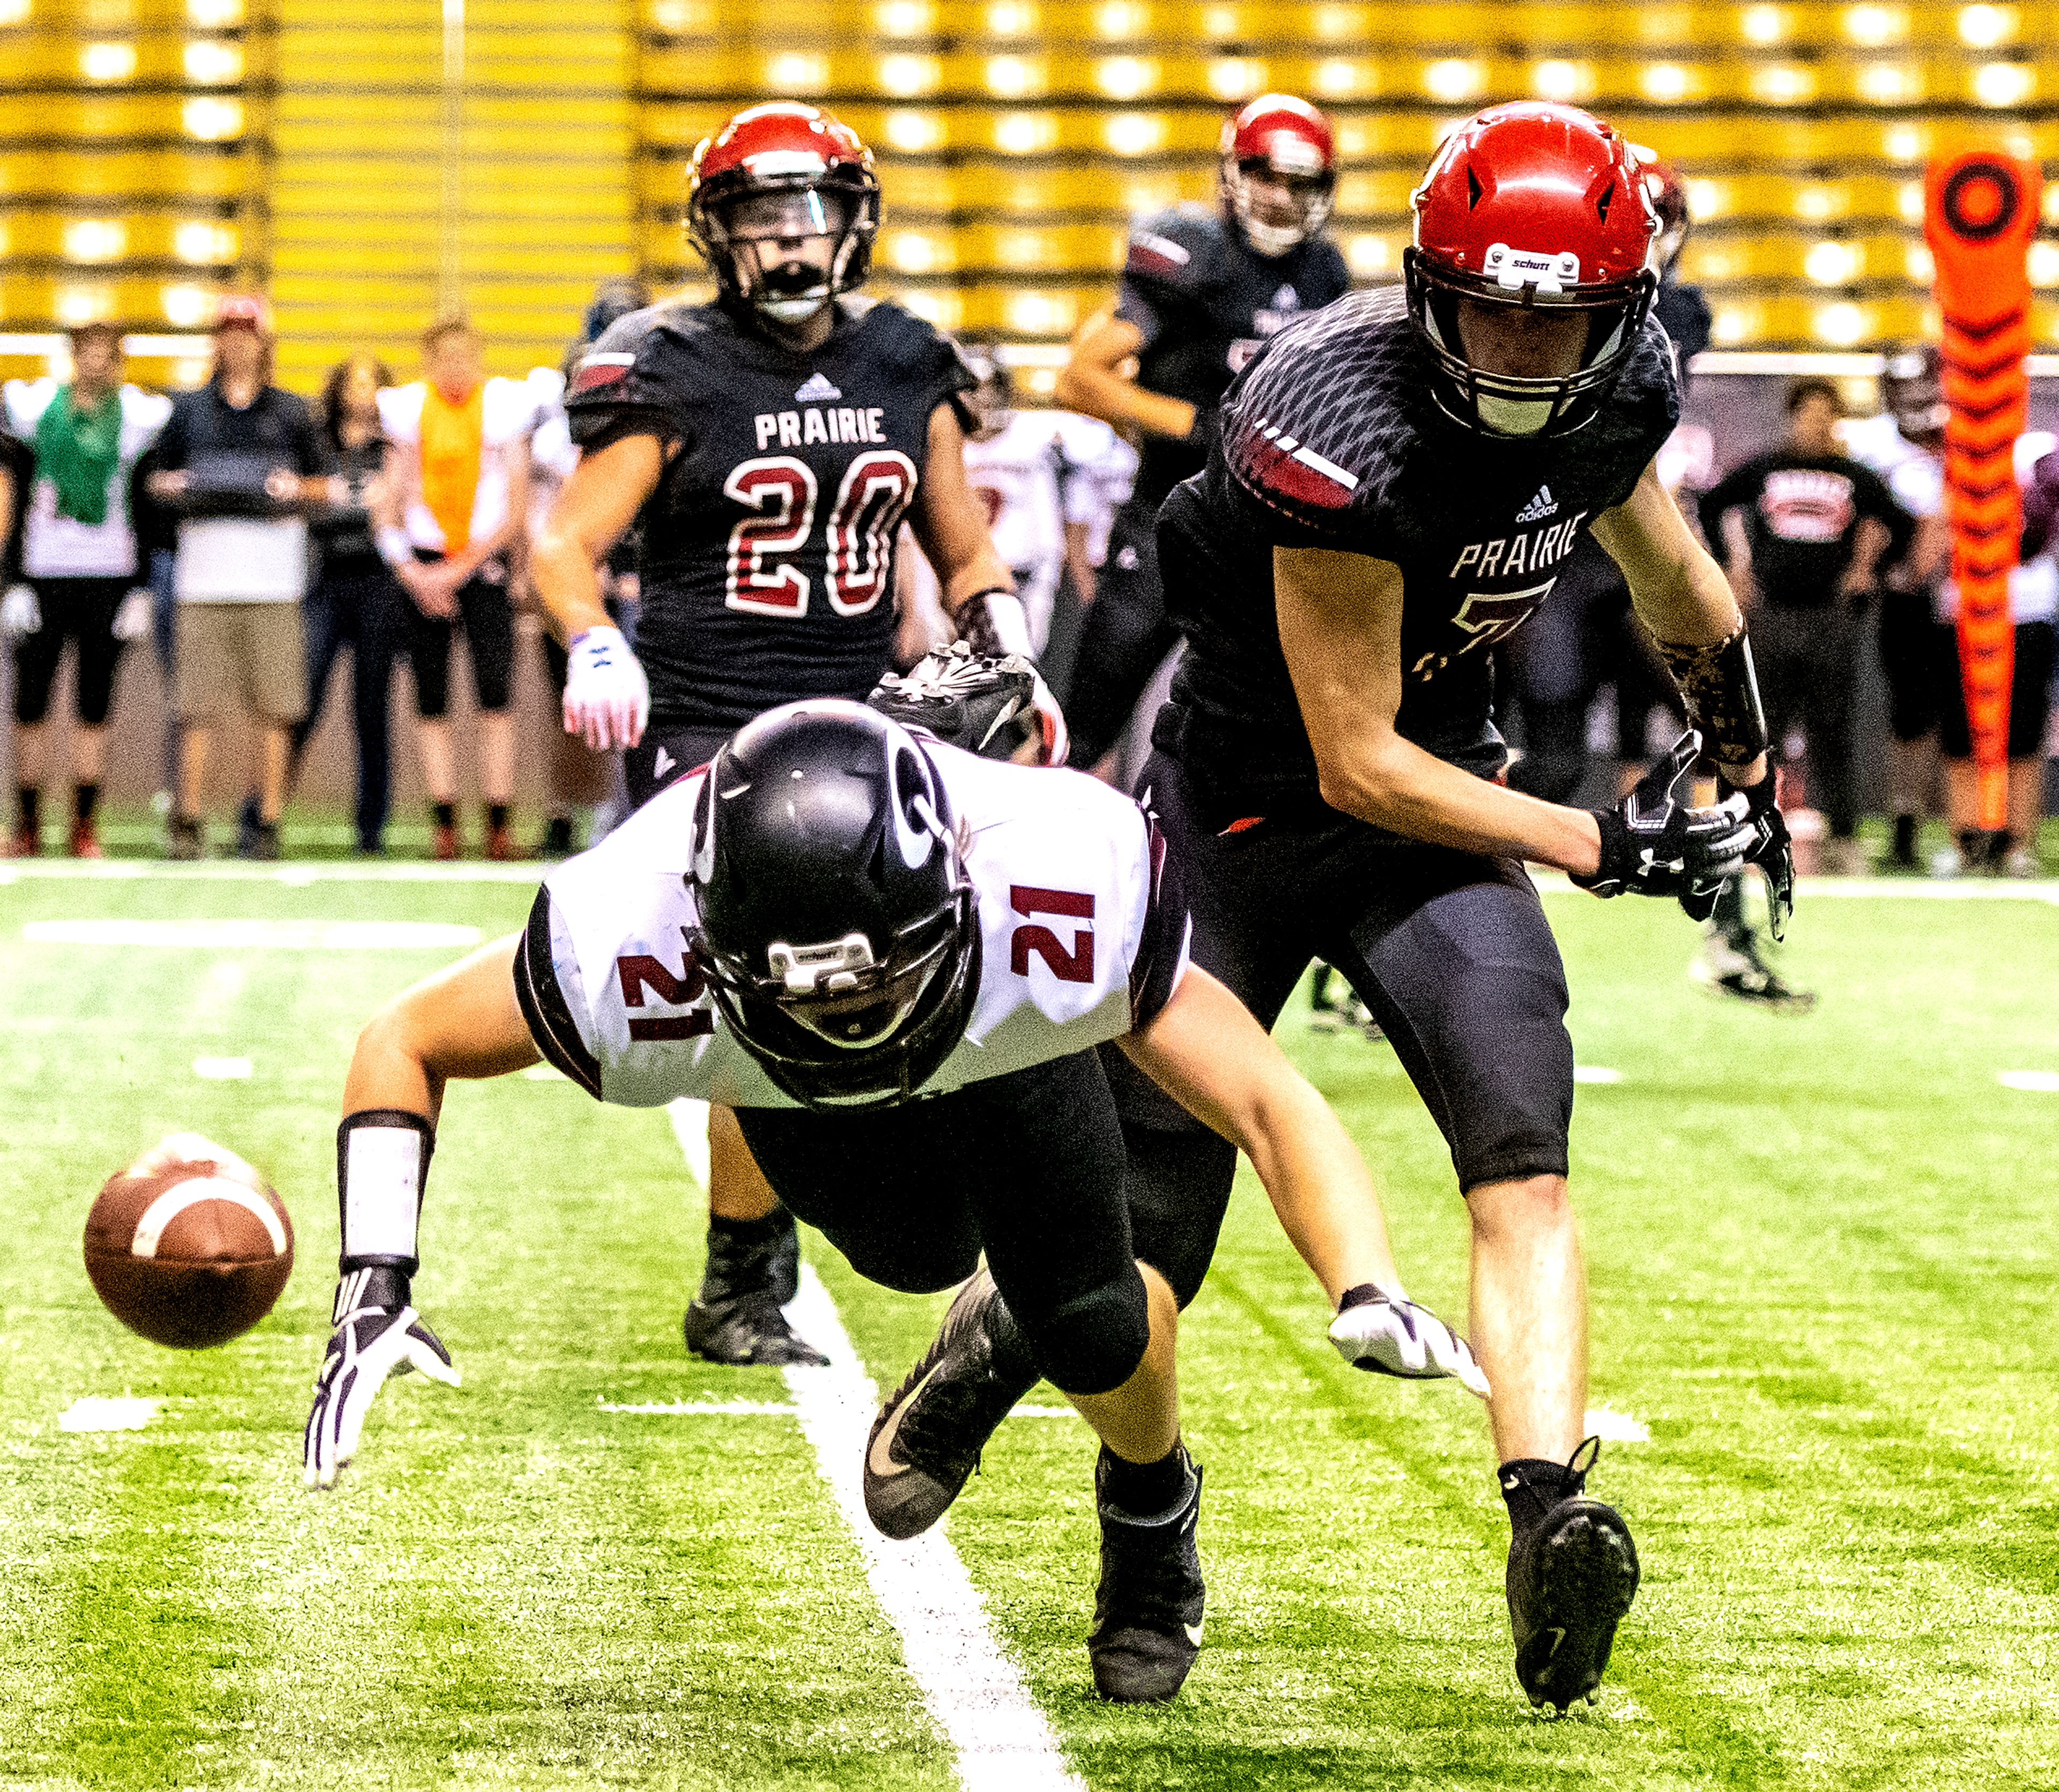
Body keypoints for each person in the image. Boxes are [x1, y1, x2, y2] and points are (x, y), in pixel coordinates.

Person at [889, 100, 1796, 1715]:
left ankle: (1544, 1514)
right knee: (1144, 1251)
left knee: (1523, 1151)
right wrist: (1600, 841)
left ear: (1617, 314)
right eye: (1492, 304)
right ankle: (1128, 1516)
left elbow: (1668, 580)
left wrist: (1744, 761)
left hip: (1433, 816)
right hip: (1241, 815)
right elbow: (1354, 758)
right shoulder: (1338, 409)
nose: (1520, 347)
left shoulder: (1619, 389)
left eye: (1558, 312)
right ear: (1427, 283)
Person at [297, 697, 1484, 1704]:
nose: (849, 1025)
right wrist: (373, 1285)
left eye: (874, 988)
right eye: (812, 1000)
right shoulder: (626, 939)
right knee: (914, 1253)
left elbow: (1270, 1102)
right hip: (800, 1106)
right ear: (706, 939)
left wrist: (1366, 1279)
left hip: (995, 1045)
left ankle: (1148, 1518)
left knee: (1093, 1320)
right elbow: (404, 1039)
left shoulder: (1053, 883)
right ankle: (986, 1312)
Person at [531, 101, 1065, 1369]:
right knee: (755, 986)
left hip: (870, 717)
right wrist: (592, 638)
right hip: (710, 714)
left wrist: (1008, 647)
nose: (787, 240)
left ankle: (994, 1235)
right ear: (718, 234)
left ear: (853, 222)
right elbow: (563, 545)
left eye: (809, 211)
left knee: (946, 951)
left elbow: (962, 543)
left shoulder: (905, 360)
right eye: (760, 216)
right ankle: (741, 1275)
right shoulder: (668, 362)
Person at [1056, 93, 1351, 769]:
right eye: (1266, 176)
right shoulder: (1194, 252)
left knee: (1277, 736)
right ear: (1233, 174)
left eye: (1300, 182)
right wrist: (1195, 426)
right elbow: (1079, 378)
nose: (1280, 197)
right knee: (1089, 721)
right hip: (1170, 517)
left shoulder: (1324, 271)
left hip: (1271, 533)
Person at [1698, 377, 1913, 879]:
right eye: (1808, 413)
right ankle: (1749, 831)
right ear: (1792, 417)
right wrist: (1734, 564)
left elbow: (1900, 524)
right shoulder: (1768, 467)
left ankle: (1841, 838)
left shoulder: (1853, 475)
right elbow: (1712, 504)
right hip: (1770, 614)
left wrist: (1870, 568)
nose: (1815, 423)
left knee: (1832, 728)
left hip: (1831, 617)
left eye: (1825, 414)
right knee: (1761, 728)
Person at [146, 295, 332, 861]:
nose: (237, 342)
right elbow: (153, 480)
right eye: (227, 332)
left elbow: (325, 486)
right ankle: (188, 821)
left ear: (262, 342)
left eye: (247, 333)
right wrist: (176, 486)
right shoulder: (187, 410)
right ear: (216, 341)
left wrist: (291, 489)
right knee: (195, 706)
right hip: (203, 577)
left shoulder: (293, 412)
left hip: (273, 578)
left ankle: (267, 823)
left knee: (275, 706)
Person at [2, 322, 169, 856]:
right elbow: (18, 484)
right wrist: (14, 581)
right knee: (30, 703)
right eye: (87, 354)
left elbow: (143, 501)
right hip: (44, 570)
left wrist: (140, 585)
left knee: (94, 703)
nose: (96, 364)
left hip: (108, 573)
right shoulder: (35, 411)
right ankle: (27, 825)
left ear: (119, 363)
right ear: (72, 357)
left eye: (106, 356)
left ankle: (84, 825)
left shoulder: (137, 419)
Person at [375, 316, 536, 861]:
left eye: (465, 357)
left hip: (479, 562)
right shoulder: (408, 412)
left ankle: (498, 822)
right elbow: (389, 504)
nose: (456, 368)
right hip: (425, 565)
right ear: (429, 361)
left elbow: (516, 510)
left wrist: (459, 570)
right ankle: (444, 823)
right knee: (432, 699)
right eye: (445, 358)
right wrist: (412, 571)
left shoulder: (502, 409)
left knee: (497, 697)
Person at [277, 353, 409, 856]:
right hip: (325, 576)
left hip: (378, 581)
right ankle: (263, 814)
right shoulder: (316, 440)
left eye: (372, 381)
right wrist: (339, 493)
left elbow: (394, 507)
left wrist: (339, 496)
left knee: (372, 708)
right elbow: (291, 492)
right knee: (299, 698)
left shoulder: (393, 445)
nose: (362, 391)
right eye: (353, 381)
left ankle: (371, 827)